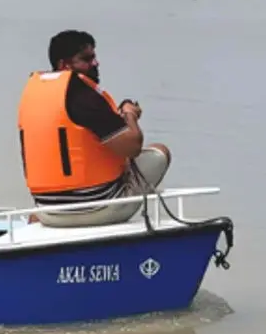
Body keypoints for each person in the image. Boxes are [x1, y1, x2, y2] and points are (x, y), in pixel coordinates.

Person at [16, 29, 171, 227]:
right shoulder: (85, 97)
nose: (95, 63)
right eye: (86, 59)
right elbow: (132, 147)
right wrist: (130, 114)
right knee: (160, 152)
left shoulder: (34, 96)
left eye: (94, 57)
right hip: (97, 208)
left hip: (47, 211)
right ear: (64, 65)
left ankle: (35, 222)